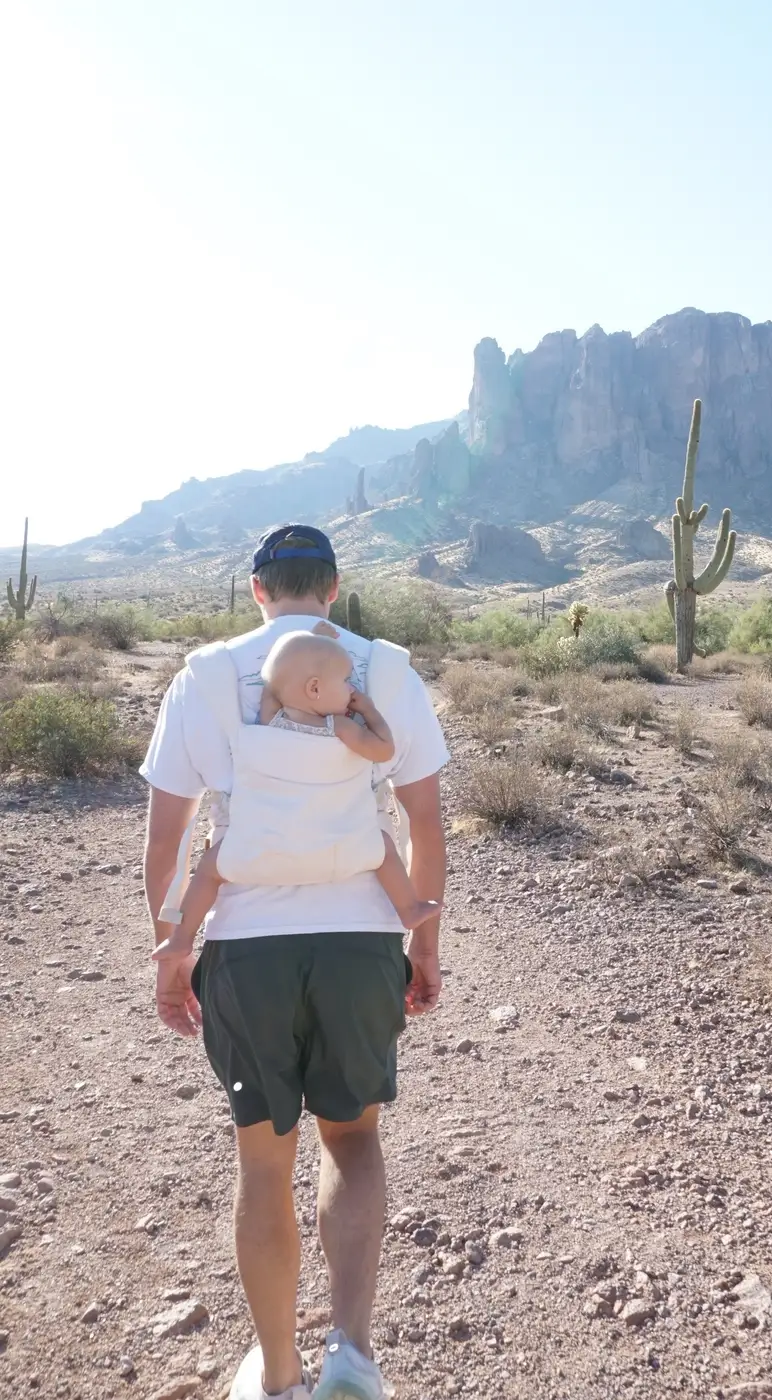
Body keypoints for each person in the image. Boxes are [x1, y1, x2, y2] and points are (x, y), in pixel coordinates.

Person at [142, 524, 448, 1400]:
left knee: (263, 1160)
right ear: (335, 587)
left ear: (258, 593)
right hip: (358, 942)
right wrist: (420, 943)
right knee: (352, 1141)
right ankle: (350, 1355)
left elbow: (166, 841)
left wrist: (170, 951)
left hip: (246, 949)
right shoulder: (382, 668)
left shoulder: (205, 674)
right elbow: (422, 823)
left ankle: (277, 1373)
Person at [152, 624, 441, 964]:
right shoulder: (341, 728)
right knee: (384, 848)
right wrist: (369, 711)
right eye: (346, 681)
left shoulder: (270, 721)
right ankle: (408, 909)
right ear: (315, 688)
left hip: (260, 851)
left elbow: (272, 685)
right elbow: (383, 749)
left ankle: (182, 939)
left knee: (210, 868)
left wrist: (305, 648)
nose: (351, 689)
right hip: (339, 852)